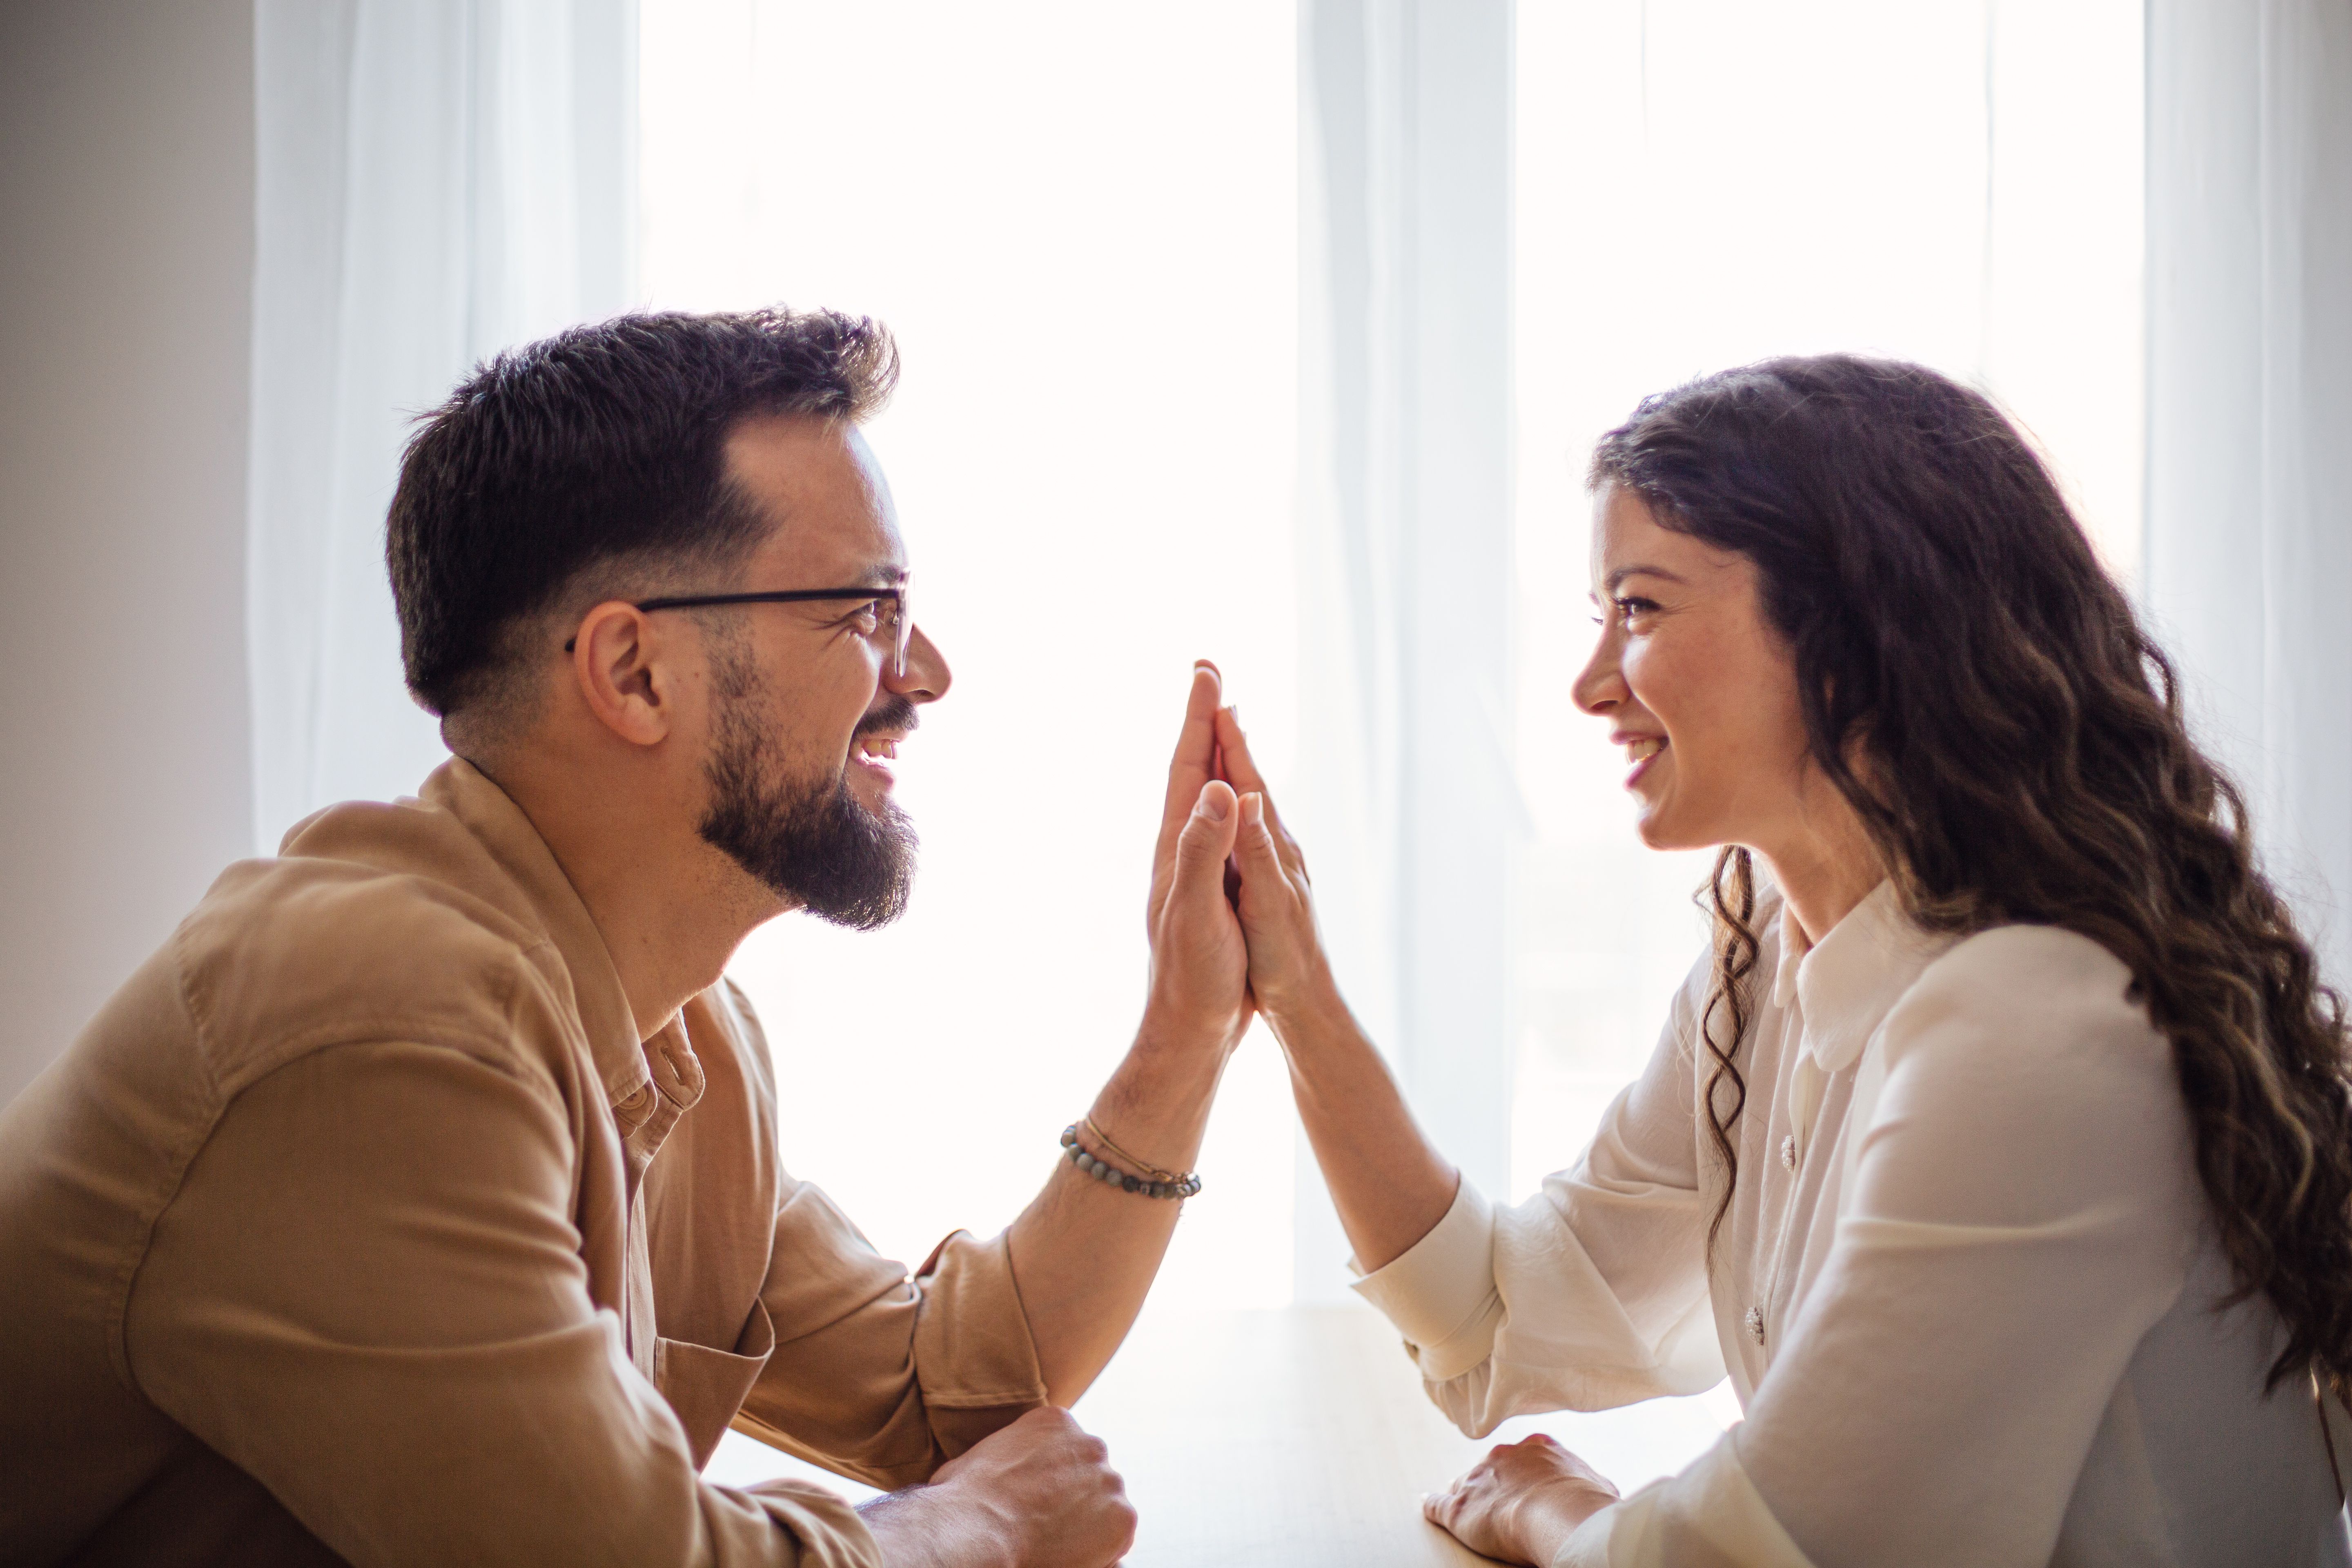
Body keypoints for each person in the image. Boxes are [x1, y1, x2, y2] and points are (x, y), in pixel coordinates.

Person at [0, 308, 1258, 1567]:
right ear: (635, 671)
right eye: (867, 607)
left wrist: (1188, 1034)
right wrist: (972, 1527)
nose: (923, 671)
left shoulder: (682, 1032)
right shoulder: (377, 1024)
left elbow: (946, 1390)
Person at [1210, 355, 2352, 1565]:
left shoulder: (2036, 1024)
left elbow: (1778, 1555)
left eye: (1640, 608)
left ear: (1854, 635)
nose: (1593, 683)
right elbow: (1502, 1322)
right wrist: (1296, 995)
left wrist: (1555, 1514)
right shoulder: (1763, 960)